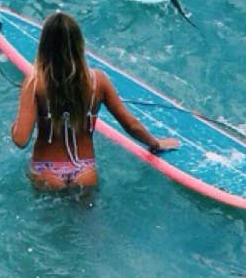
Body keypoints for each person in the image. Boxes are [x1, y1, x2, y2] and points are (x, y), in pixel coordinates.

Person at [9, 10, 177, 191]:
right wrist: (155, 143)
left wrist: (15, 127)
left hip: (47, 172)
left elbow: (21, 140)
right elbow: (131, 125)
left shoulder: (34, 83)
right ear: (79, 44)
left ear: (44, 45)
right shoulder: (98, 81)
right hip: (85, 172)